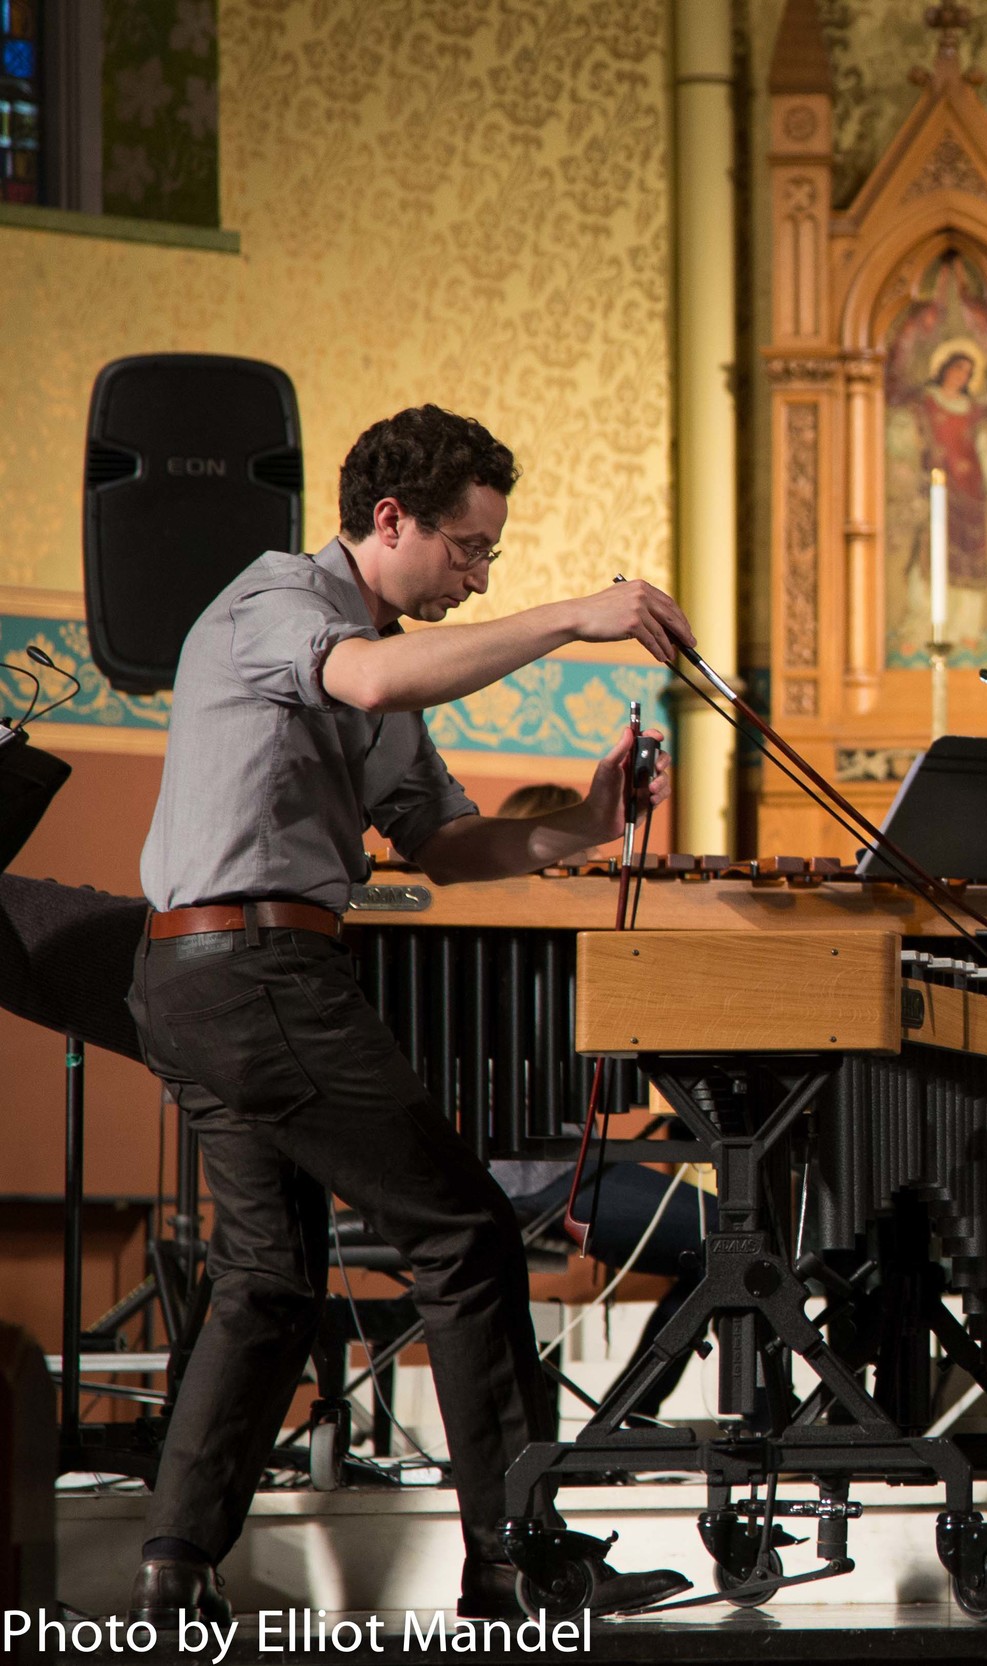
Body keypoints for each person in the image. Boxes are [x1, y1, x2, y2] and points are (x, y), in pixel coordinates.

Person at [126, 405, 696, 1626]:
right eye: (469, 548)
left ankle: (174, 1560)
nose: (480, 573)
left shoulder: (382, 670)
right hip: (252, 971)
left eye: (490, 555)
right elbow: (369, 672)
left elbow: (445, 842)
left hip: (217, 980)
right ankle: (515, 1562)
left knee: (270, 1276)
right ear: (389, 520)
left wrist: (589, 822)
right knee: (468, 1231)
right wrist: (574, 616)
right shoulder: (276, 597)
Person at [489, 782, 709, 1423]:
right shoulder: (493, 958)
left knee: (741, 1241)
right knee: (732, 1244)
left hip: (572, 1165)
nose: (593, 872)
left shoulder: (569, 951)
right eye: (579, 856)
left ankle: (622, 1423)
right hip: (536, 1175)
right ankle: (625, 1424)